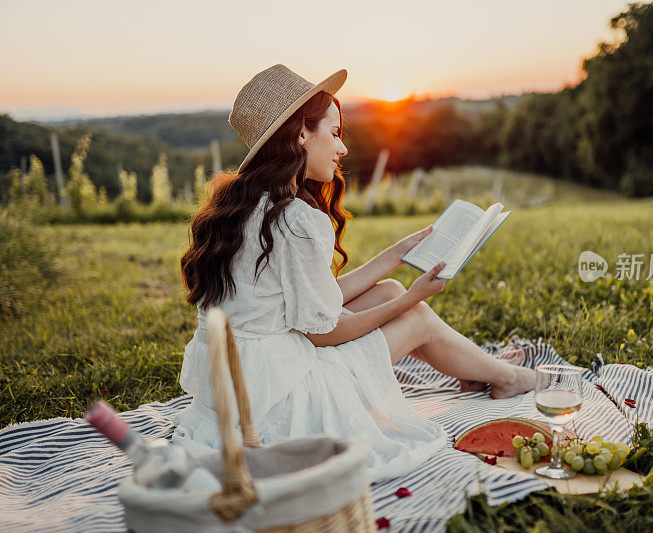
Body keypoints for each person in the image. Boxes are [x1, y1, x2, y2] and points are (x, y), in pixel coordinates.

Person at [171, 64, 547, 483]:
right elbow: (323, 331)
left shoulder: (240, 206)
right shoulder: (296, 218)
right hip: (282, 400)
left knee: (386, 288)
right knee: (414, 316)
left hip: (240, 386)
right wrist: (413, 298)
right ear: (300, 135)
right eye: (334, 134)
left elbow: (316, 299)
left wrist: (398, 253)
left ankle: (480, 370)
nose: (343, 149)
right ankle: (511, 378)